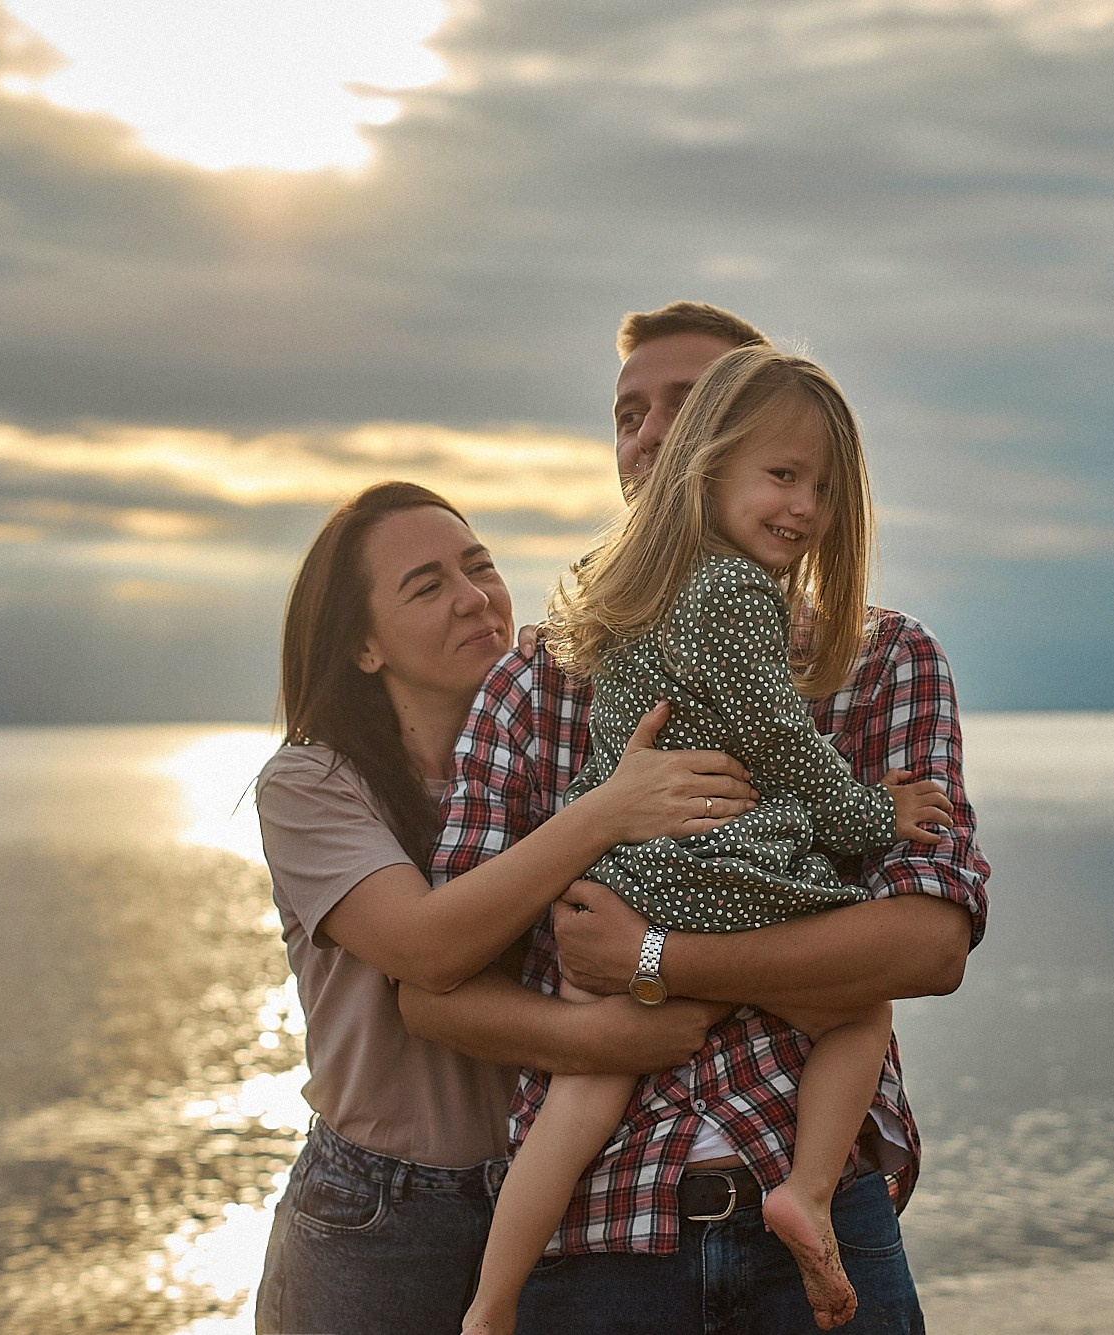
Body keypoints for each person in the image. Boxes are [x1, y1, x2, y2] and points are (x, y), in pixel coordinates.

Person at [414, 302, 990, 1335]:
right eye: (627, 414)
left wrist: (654, 961)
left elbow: (929, 941)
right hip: (605, 1232)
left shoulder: (885, 660)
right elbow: (437, 977)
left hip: (816, 1228)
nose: (649, 436)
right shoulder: (536, 680)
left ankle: (497, 1303)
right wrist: (603, 1015)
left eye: (686, 406)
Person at [252, 480, 757, 1334]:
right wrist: (606, 814)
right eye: (427, 586)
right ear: (363, 646)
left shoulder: (558, 753)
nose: (473, 597)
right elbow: (427, 949)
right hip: (381, 1212)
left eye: (479, 566)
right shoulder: (313, 785)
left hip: (559, 1198)